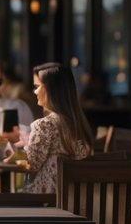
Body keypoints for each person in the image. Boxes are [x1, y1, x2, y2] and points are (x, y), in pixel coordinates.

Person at [21, 61, 93, 195]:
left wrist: (16, 154)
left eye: (37, 86)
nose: (35, 91)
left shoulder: (44, 125)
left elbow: (32, 164)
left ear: (50, 89)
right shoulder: (78, 123)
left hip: (46, 201)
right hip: (76, 199)